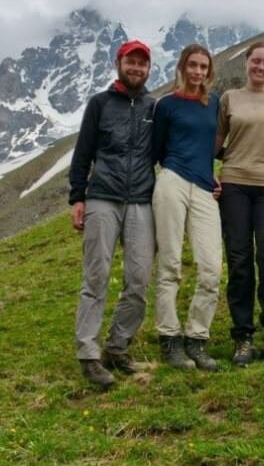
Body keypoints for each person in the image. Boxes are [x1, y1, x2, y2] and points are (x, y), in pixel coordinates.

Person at [68, 39, 158, 389]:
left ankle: (118, 347)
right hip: (102, 197)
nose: (136, 68)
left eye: (142, 63)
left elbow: (168, 151)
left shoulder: (154, 107)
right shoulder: (100, 104)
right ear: (119, 63)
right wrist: (78, 198)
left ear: (149, 69)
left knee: (139, 278)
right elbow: (82, 154)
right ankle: (88, 355)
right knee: (97, 276)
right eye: (130, 62)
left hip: (141, 200)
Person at [218, 40, 264, 366]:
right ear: (246, 63)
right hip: (234, 183)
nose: (261, 67)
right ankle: (243, 336)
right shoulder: (229, 98)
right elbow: (217, 143)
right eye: (256, 61)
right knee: (239, 260)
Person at [151, 44, 222, 372]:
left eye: (203, 67)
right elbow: (158, 149)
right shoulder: (165, 104)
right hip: (173, 181)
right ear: (182, 67)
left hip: (205, 187)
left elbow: (217, 146)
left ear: (209, 71)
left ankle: (197, 338)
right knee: (170, 264)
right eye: (192, 65)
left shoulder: (214, 104)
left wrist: (212, 177)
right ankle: (170, 338)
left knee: (211, 268)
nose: (197, 71)